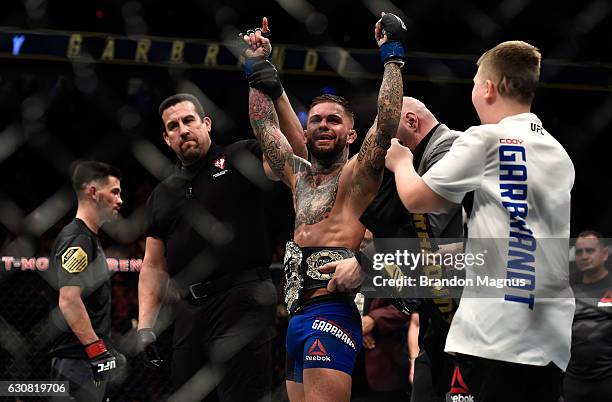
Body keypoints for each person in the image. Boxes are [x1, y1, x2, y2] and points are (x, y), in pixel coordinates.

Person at [385, 40, 575, 402]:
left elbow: (417, 198)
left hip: (495, 333)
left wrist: (401, 161)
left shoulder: (485, 138)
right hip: (549, 336)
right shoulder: (558, 152)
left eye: (474, 81)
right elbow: (524, 232)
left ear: (488, 88)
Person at [245, 12, 405, 402]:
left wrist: (393, 56)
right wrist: (255, 66)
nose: (323, 125)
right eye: (315, 119)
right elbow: (265, 130)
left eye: (334, 120)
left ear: (350, 133)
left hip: (332, 312)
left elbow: (385, 124)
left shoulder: (356, 176)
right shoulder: (297, 177)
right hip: (298, 317)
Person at [136, 91, 306, 402]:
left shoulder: (241, 156)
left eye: (189, 120)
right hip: (189, 309)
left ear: (207, 123)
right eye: (173, 126)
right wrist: (145, 326)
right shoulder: (161, 194)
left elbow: (291, 157)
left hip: (242, 299)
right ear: (166, 138)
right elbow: (153, 264)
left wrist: (273, 92)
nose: (183, 129)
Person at [320, 96, 463, 402]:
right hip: (438, 311)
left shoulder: (451, 148)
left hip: (467, 311)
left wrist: (363, 262)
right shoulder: (417, 160)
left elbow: (426, 230)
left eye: (388, 130)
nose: (384, 142)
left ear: (411, 121)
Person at [49, 161, 124, 402]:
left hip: (83, 362)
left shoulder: (89, 239)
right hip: (76, 363)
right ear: (92, 192)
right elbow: (69, 300)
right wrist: (97, 351)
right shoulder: (78, 239)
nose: (120, 200)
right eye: (114, 191)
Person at [564, 231, 612, 402]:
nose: (584, 256)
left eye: (590, 251)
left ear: (604, 254)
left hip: (607, 382)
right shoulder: (568, 293)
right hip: (574, 382)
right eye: (579, 252)